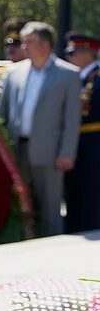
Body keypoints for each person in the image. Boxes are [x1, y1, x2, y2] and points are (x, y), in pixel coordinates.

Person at [0, 21, 81, 236]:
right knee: (22, 208)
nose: (23, 47)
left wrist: (67, 152)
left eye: (29, 42)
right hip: (18, 149)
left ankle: (53, 256)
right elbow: (1, 113)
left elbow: (72, 119)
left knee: (50, 208)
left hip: (50, 153)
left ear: (45, 44)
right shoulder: (14, 73)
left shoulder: (68, 75)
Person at [62, 33, 100, 234]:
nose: (70, 56)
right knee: (76, 186)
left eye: (74, 52)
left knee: (91, 187)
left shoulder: (96, 78)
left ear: (88, 52)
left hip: (93, 141)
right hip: (77, 140)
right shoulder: (78, 77)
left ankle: (90, 225)